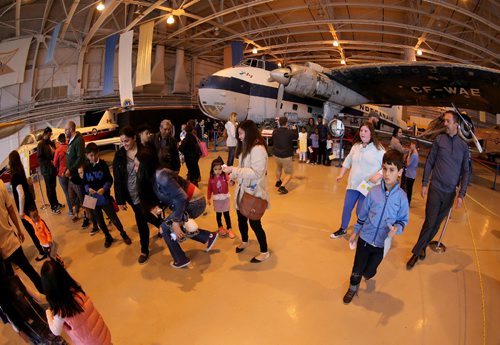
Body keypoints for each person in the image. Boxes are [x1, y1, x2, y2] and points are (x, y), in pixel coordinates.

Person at [342, 150, 409, 304]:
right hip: (365, 238)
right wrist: (356, 232)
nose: (387, 174)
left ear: (399, 172)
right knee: (357, 268)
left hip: (381, 244)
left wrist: (396, 229)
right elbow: (363, 215)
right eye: (384, 169)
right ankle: (353, 288)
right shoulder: (373, 192)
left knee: (369, 271)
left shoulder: (402, 198)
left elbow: (403, 220)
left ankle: (369, 272)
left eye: (391, 170)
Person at [135, 146, 218, 269]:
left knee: (165, 228)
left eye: (137, 166)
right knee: (170, 227)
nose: (135, 169)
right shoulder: (153, 177)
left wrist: (176, 221)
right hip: (187, 202)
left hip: (195, 203)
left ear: (145, 167)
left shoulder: (161, 177)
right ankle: (207, 237)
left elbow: (181, 198)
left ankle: (180, 258)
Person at [406, 110, 470, 270]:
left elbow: (466, 172)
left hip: (450, 194)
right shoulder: (439, 140)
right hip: (435, 188)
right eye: (444, 121)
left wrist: (461, 195)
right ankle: (415, 253)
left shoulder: (464, 147)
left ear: (456, 124)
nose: (445, 124)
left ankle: (422, 248)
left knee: (436, 226)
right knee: (429, 222)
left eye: (448, 121)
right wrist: (425, 183)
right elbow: (430, 162)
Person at [222, 120, 270, 263]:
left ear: (248, 132)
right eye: (239, 134)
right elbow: (241, 165)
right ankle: (245, 241)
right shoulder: (246, 146)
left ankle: (264, 251)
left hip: (253, 193)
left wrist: (234, 170)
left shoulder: (258, 149)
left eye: (241, 133)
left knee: (255, 224)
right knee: (241, 218)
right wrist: (233, 176)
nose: (239, 137)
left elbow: (256, 173)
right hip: (242, 191)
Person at [113, 126, 162, 264]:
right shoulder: (119, 155)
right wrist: (120, 199)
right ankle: (161, 224)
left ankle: (144, 249)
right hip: (130, 194)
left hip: (145, 191)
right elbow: (117, 178)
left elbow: (155, 169)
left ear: (134, 138)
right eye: (122, 141)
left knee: (141, 219)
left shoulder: (145, 150)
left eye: (126, 141)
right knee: (142, 215)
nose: (124, 144)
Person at [330, 122, 385, 239]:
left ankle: (361, 232)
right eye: (361, 131)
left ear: (371, 133)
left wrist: (379, 175)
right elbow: (348, 161)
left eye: (365, 131)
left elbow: (386, 166)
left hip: (367, 186)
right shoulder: (356, 147)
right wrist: (341, 174)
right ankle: (343, 228)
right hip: (353, 184)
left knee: (360, 212)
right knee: (347, 208)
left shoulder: (379, 149)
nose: (362, 133)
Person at [41, 260, 112, 345]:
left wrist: (48, 312)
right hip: (102, 334)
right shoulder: (77, 291)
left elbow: (56, 331)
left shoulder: (61, 310)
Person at [0, 256, 66, 344]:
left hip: (30, 330)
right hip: (42, 319)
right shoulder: (16, 280)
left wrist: (19, 331)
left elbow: (10, 319)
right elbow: (38, 297)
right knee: (57, 339)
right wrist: (53, 297)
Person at [83, 143, 132, 248]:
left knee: (113, 218)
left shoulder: (103, 165)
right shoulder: (86, 166)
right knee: (99, 220)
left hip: (104, 198)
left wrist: (104, 189)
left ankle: (123, 233)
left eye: (93, 155)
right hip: (91, 198)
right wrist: (88, 189)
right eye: (89, 155)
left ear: (97, 153)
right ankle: (107, 236)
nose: (91, 157)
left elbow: (110, 179)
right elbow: (84, 182)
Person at [0, 179, 44, 293]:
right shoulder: (0, 184)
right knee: (29, 270)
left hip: (5, 246)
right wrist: (18, 229)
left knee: (11, 284)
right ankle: (49, 297)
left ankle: (28, 305)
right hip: (10, 239)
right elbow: (10, 209)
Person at [8, 150, 46, 261]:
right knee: (37, 226)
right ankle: (45, 245)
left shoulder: (15, 176)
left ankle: (42, 250)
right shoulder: (21, 172)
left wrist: (20, 212)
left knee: (32, 230)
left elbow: (21, 194)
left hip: (26, 209)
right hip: (31, 204)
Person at [207, 156, 235, 238]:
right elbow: (209, 189)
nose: (218, 171)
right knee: (218, 214)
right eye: (215, 169)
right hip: (217, 199)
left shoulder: (224, 175)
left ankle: (229, 228)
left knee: (226, 214)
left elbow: (230, 181)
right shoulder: (211, 178)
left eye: (219, 169)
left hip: (225, 198)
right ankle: (220, 227)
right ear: (212, 169)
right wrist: (208, 198)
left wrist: (231, 182)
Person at [64, 121, 86, 225]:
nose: (65, 131)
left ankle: (88, 217)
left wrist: (71, 169)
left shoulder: (78, 140)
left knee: (83, 198)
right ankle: (77, 213)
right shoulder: (71, 141)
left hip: (77, 175)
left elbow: (80, 158)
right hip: (71, 175)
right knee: (73, 196)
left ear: (71, 130)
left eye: (66, 129)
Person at [37, 127, 62, 214]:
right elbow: (40, 159)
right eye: (49, 134)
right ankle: (53, 206)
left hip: (52, 169)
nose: (50, 136)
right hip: (46, 170)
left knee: (53, 187)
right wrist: (49, 162)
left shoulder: (51, 143)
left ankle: (56, 202)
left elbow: (55, 153)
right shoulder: (40, 144)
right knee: (49, 188)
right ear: (46, 133)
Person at [272, 116, 298, 195]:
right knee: (289, 174)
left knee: (278, 168)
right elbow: (296, 137)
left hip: (276, 155)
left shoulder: (275, 131)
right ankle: (282, 187)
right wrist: (294, 129)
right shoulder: (290, 132)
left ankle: (278, 181)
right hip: (286, 156)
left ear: (279, 123)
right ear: (286, 123)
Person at [54, 133, 74, 219]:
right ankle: (77, 206)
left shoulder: (58, 150)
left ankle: (71, 210)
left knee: (67, 193)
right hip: (71, 171)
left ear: (58, 141)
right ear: (65, 139)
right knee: (74, 191)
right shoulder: (70, 147)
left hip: (62, 173)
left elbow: (55, 163)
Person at [179, 120, 202, 186]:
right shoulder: (194, 138)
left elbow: (180, 148)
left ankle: (193, 183)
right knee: (195, 168)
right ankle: (195, 180)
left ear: (185, 130)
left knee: (190, 169)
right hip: (195, 156)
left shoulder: (185, 139)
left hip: (188, 157)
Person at [404, 141, 419, 206]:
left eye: (411, 144)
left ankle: (408, 202)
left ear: (414, 145)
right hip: (412, 174)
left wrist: (409, 154)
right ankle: (408, 202)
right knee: (409, 189)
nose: (410, 145)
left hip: (410, 174)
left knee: (409, 189)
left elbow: (408, 163)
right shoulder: (416, 154)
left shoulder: (414, 155)